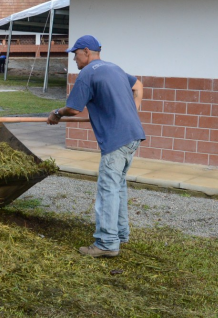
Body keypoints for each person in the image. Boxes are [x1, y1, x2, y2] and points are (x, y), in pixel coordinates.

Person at [48, 35, 145, 258]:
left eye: (76, 54)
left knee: (108, 189)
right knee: (118, 186)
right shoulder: (114, 68)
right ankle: (119, 234)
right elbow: (138, 86)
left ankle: (107, 243)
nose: (74, 59)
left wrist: (56, 114)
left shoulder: (87, 73)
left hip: (117, 139)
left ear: (86, 52)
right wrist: (131, 111)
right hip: (133, 135)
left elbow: (73, 109)